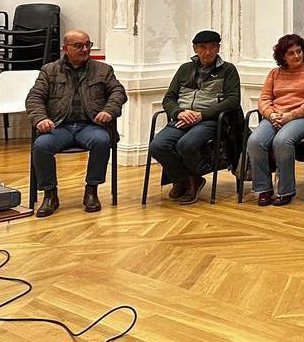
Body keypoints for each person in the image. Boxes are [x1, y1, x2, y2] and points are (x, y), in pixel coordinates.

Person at [26, 29, 126, 217]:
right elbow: (34, 97)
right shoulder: (50, 70)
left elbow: (118, 92)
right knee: (41, 145)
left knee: (102, 141)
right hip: (59, 126)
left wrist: (108, 111)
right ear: (65, 48)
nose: (85, 49)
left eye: (88, 44)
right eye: (79, 45)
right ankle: (50, 194)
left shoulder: (103, 70)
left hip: (90, 125)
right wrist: (41, 118)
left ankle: (91, 191)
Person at [149, 30, 243, 205]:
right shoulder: (185, 69)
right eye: (203, 47)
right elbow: (169, 98)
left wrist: (202, 115)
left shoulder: (227, 70)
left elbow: (232, 101)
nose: (208, 52)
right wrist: (179, 112)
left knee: (187, 144)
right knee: (157, 146)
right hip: (182, 118)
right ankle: (187, 179)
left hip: (210, 120)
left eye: (212, 47)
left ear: (218, 48)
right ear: (195, 49)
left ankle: (186, 181)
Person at [246, 34, 304, 206]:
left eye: (299, 51)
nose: (297, 56)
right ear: (283, 56)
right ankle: (264, 189)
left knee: (282, 141)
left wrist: (291, 115)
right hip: (276, 116)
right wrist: (271, 115)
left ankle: (286, 190)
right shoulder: (275, 74)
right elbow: (264, 99)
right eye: (291, 53)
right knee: (255, 141)